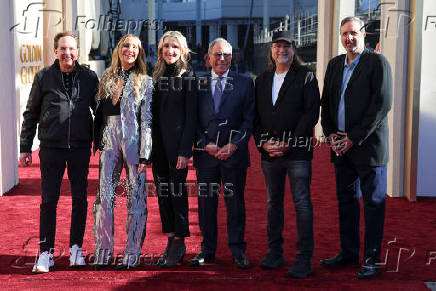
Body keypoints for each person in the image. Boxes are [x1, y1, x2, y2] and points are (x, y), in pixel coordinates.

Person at [19, 32, 99, 273]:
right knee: (48, 202)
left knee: (80, 200)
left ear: (77, 51)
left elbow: (101, 111)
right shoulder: (44, 76)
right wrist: (25, 147)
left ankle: (76, 249)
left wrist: (102, 141)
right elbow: (30, 113)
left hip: (80, 148)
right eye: (63, 49)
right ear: (55, 51)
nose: (68, 53)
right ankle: (46, 253)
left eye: (72, 49)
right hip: (51, 148)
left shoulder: (89, 77)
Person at [320, 16, 392, 279]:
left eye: (353, 33)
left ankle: (371, 259)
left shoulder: (377, 62)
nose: (348, 38)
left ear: (363, 33)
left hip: (369, 148)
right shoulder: (335, 64)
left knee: (373, 204)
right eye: (344, 34)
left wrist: (353, 137)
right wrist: (330, 135)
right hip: (341, 148)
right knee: (347, 202)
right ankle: (348, 252)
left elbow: (382, 105)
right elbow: (325, 104)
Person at [253, 31, 320, 278]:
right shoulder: (261, 79)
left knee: (302, 203)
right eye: (277, 46)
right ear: (271, 50)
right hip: (270, 155)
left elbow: (311, 113)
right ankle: (275, 253)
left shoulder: (306, 76)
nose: (282, 50)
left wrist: (289, 142)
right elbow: (255, 117)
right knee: (273, 203)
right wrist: (263, 143)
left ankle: (304, 259)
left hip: (297, 153)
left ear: (294, 49)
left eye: (287, 46)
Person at [190, 38, 254, 269]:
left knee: (235, 205)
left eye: (226, 54)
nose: (222, 58)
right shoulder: (197, 83)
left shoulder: (245, 83)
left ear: (232, 58)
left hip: (234, 156)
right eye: (217, 54)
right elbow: (192, 121)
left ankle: (238, 250)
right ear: (208, 58)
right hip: (206, 156)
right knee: (206, 205)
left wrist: (234, 145)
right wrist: (204, 143)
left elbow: (250, 120)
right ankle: (207, 250)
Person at [92, 34, 153, 270]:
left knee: (135, 199)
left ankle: (132, 253)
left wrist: (145, 153)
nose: (130, 50)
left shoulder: (145, 81)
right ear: (119, 49)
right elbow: (100, 112)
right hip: (109, 138)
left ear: (139, 54)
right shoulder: (106, 77)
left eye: (135, 48)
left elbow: (146, 119)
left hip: (133, 141)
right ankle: (103, 252)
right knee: (104, 199)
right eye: (126, 45)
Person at [151, 31, 197, 267]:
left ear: (182, 51)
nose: (170, 51)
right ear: (161, 50)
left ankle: (180, 240)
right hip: (157, 147)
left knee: (177, 194)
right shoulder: (157, 75)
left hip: (177, 147)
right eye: (166, 46)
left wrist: (184, 151)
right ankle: (170, 237)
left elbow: (191, 118)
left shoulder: (188, 76)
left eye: (175, 47)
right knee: (163, 193)